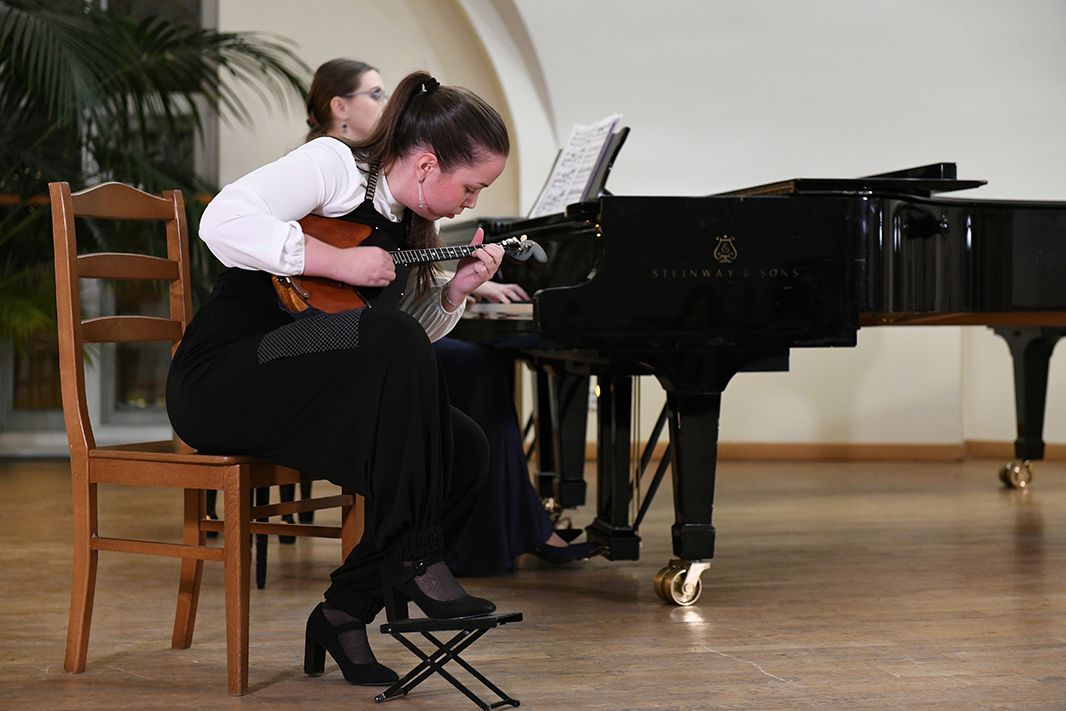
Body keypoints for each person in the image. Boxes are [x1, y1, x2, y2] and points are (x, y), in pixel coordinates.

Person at [166, 69, 509, 687]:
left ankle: (344, 612)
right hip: (225, 378)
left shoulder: (410, 222)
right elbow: (220, 220)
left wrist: (455, 291)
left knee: (463, 447)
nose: (471, 203)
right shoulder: (334, 165)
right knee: (397, 346)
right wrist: (337, 260)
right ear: (427, 164)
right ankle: (415, 555)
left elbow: (379, 344)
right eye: (471, 186)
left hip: (303, 386)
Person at [301, 59, 600, 577]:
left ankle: (500, 528)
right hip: (327, 349)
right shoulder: (330, 169)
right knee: (477, 367)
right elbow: (336, 268)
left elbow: (397, 283)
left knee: (479, 368)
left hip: (371, 337)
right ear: (340, 107)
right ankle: (483, 537)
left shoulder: (397, 192)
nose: (386, 105)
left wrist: (456, 286)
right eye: (374, 94)